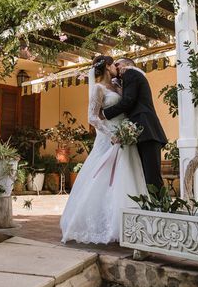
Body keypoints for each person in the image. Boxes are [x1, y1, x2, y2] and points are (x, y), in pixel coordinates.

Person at [60, 55, 148, 244]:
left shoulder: (118, 86)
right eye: (114, 64)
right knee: (102, 178)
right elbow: (92, 117)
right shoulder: (98, 88)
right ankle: (101, 224)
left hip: (125, 136)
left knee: (127, 176)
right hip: (109, 137)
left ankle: (130, 224)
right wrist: (111, 135)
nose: (117, 67)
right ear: (108, 67)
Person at [102, 58, 166, 189]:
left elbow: (128, 101)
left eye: (117, 64)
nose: (115, 66)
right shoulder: (125, 80)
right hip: (141, 132)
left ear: (127, 65)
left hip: (147, 130)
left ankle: (158, 208)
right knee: (144, 175)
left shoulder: (131, 73)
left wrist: (104, 113)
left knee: (152, 176)